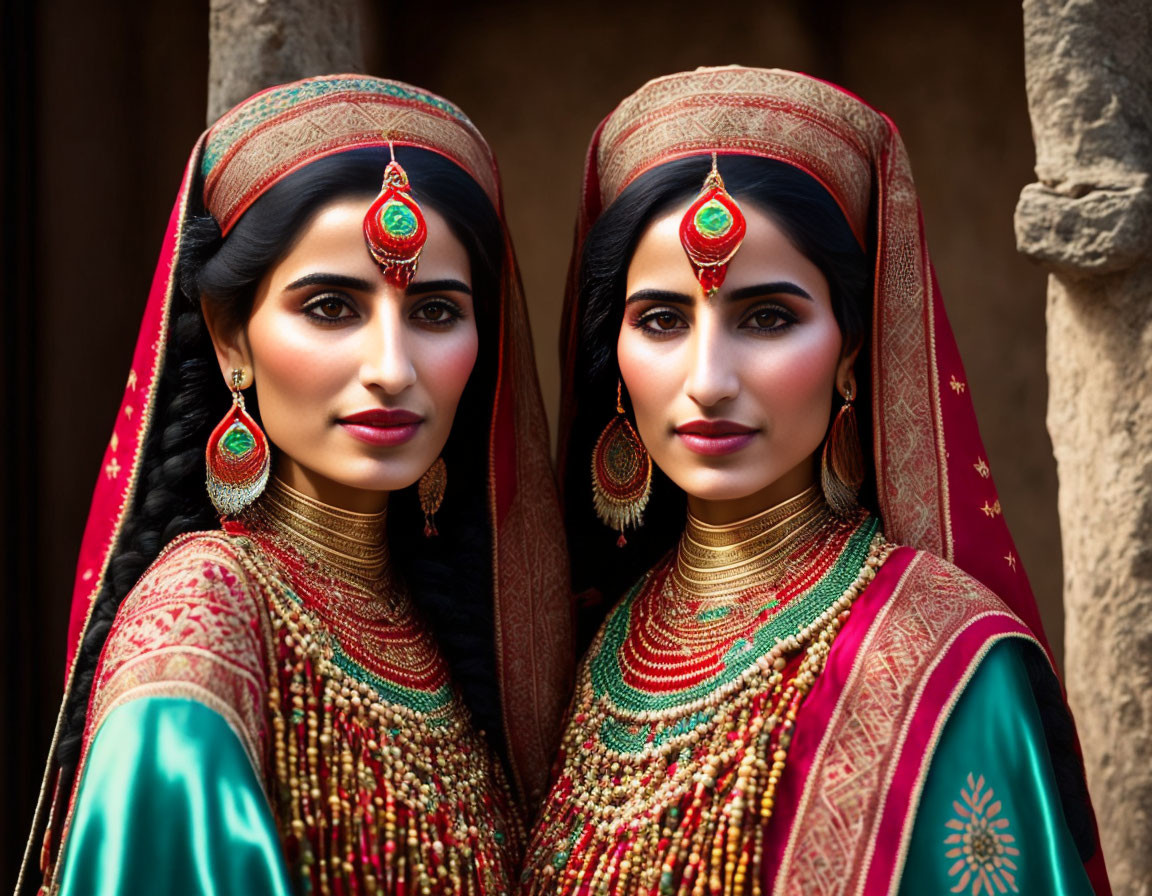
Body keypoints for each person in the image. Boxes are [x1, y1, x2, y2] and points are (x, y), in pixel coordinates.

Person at [521, 66, 1109, 895]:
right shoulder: (599, 649)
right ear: (611, 357)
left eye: (768, 318)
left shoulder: (940, 658)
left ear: (851, 354)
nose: (709, 379)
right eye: (661, 320)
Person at [18, 75, 572, 895]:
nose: (391, 369)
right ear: (230, 337)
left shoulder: (441, 642)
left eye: (435, 313)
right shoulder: (203, 622)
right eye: (330, 308)